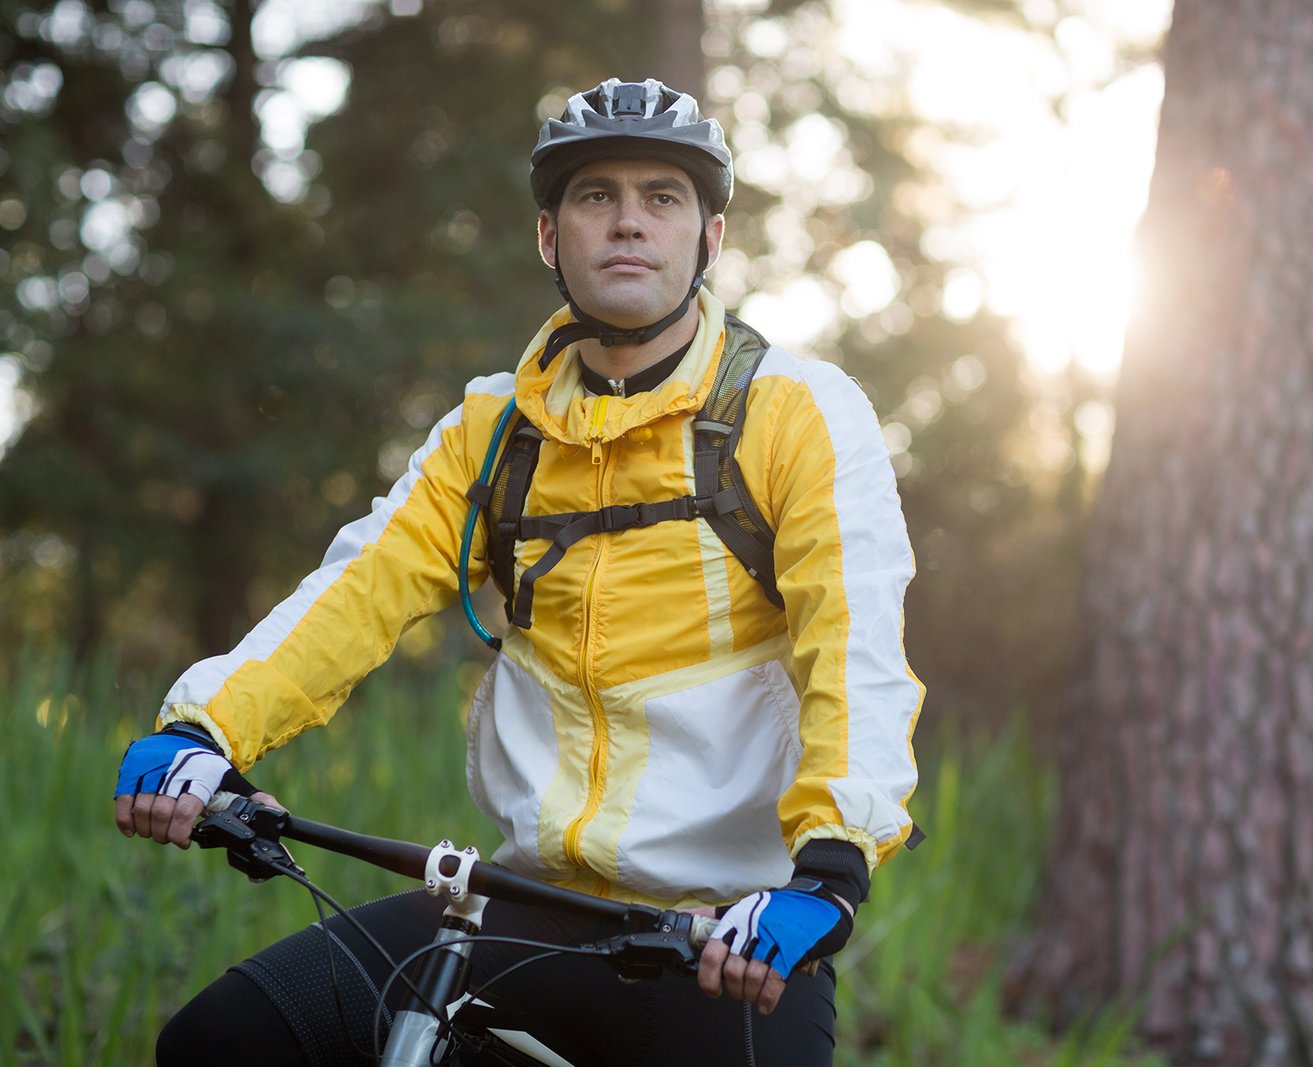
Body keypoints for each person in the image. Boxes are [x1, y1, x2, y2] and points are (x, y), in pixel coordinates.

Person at [114, 77, 922, 1066]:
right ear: (550, 238)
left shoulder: (797, 410)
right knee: (221, 1041)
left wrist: (829, 868)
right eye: (595, 197)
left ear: (709, 238)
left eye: (662, 197)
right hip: (518, 905)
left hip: (731, 932)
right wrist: (207, 724)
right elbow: (361, 584)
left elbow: (857, 645)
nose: (628, 222)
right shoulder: (493, 429)